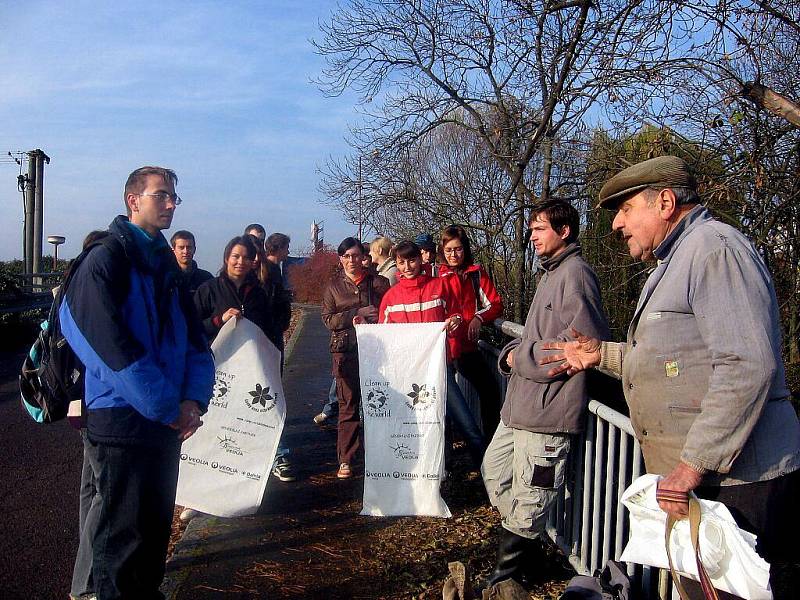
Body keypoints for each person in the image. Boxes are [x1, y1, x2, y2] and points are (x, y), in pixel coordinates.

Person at [542, 156, 800, 597]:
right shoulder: (674, 261)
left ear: (664, 202)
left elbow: (747, 365)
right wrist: (600, 353)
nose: (616, 225)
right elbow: (675, 361)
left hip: (742, 485)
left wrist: (689, 467)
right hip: (711, 481)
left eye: (625, 210)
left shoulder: (715, 250)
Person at [60, 166, 215, 599]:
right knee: (119, 543)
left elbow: (195, 342)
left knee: (152, 533)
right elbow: (104, 344)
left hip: (164, 422)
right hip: (121, 423)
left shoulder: (164, 263)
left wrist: (194, 400)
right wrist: (170, 407)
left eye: (173, 197)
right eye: (162, 195)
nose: (171, 204)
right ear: (134, 201)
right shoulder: (105, 259)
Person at [481, 201, 610, 587]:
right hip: (520, 408)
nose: (532, 236)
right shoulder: (550, 275)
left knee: (533, 497)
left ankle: (505, 578)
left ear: (564, 231)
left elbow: (582, 347)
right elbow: (532, 340)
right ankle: (530, 548)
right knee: (494, 472)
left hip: (549, 413)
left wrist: (521, 357)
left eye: (539, 229)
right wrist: (512, 354)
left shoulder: (576, 275)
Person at [378, 241, 486, 467]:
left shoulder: (440, 286)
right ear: (396, 264)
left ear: (420, 259)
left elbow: (456, 312)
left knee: (467, 425)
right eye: (402, 262)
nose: (407, 266)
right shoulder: (391, 297)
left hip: (440, 369)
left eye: (412, 260)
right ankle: (435, 476)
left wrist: (456, 320)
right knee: (420, 429)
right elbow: (383, 337)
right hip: (408, 375)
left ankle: (490, 481)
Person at [322, 237, 390, 479]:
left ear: (364, 257)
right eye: (346, 256)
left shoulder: (379, 283)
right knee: (348, 406)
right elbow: (328, 320)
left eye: (355, 255)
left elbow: (391, 311)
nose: (351, 260)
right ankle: (346, 459)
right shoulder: (333, 287)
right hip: (346, 352)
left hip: (377, 352)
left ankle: (382, 454)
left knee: (379, 405)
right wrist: (355, 313)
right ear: (340, 259)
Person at [438, 225, 504, 435]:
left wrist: (478, 317)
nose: (453, 255)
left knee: (490, 390)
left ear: (465, 249)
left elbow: (495, 304)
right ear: (442, 251)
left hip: (467, 346)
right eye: (449, 250)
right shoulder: (436, 276)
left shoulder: (475, 274)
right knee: (441, 400)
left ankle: (490, 445)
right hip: (443, 348)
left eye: (457, 249)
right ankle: (445, 454)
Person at [171, 229, 213, 295]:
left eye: (189, 247)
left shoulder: (206, 278)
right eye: (181, 247)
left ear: (194, 249)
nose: (185, 251)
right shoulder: (167, 277)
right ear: (173, 250)